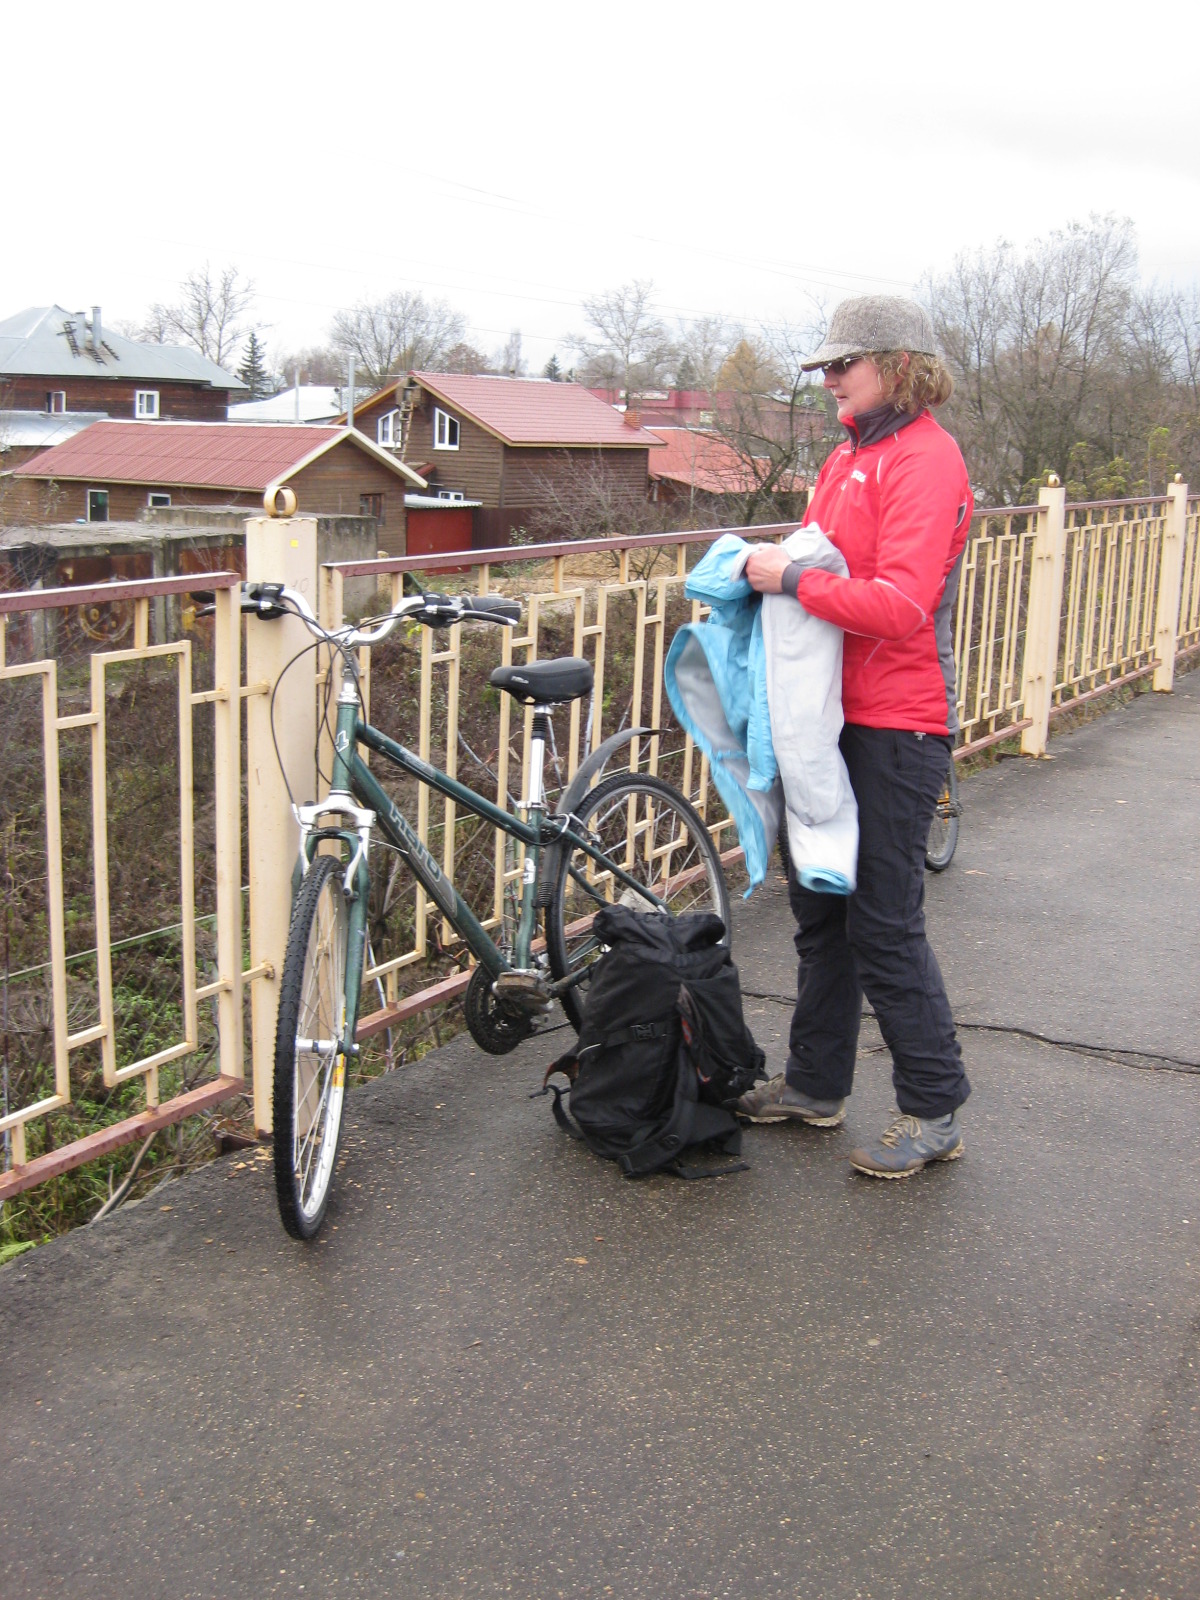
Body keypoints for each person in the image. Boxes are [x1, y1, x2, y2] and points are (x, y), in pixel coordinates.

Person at [736, 295, 972, 1179]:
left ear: (899, 365)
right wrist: (771, 571)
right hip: (827, 717)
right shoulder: (848, 456)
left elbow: (902, 604)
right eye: (826, 366)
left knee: (881, 920)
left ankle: (934, 1109)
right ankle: (814, 1087)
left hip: (898, 722)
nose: (830, 379)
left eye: (845, 363)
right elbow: (830, 567)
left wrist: (791, 578)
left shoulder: (927, 459)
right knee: (821, 910)